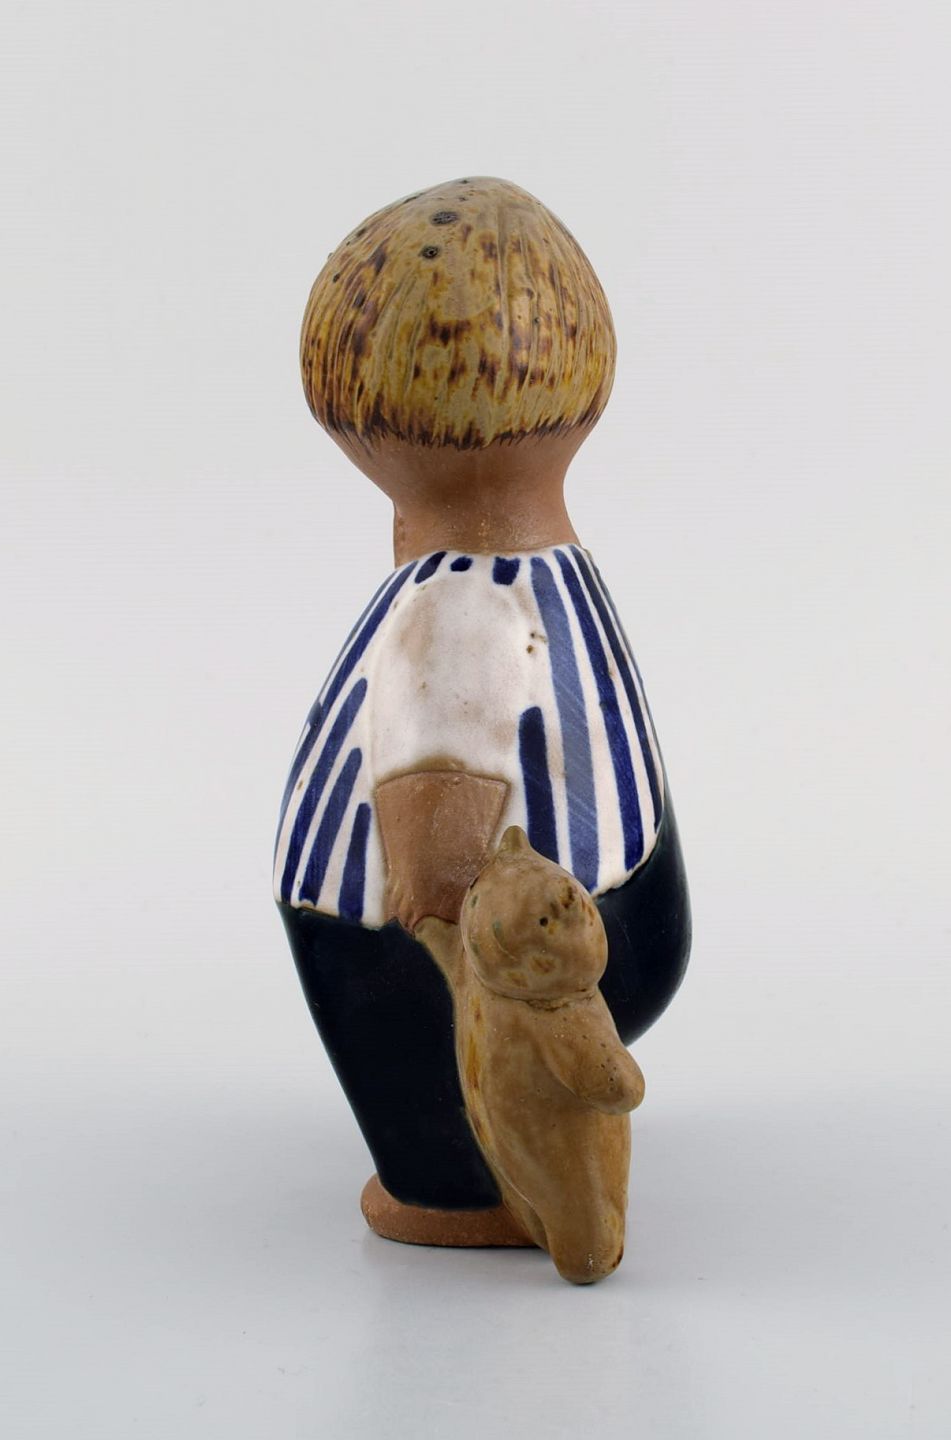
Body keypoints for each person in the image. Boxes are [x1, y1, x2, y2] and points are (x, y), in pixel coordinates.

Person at [275, 177, 691, 1242]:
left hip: (452, 959)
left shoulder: (454, 607)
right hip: (621, 898)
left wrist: (462, 962)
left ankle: (463, 1181)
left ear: (372, 413)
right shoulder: (550, 562)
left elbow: (430, 842)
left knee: (410, 1062)